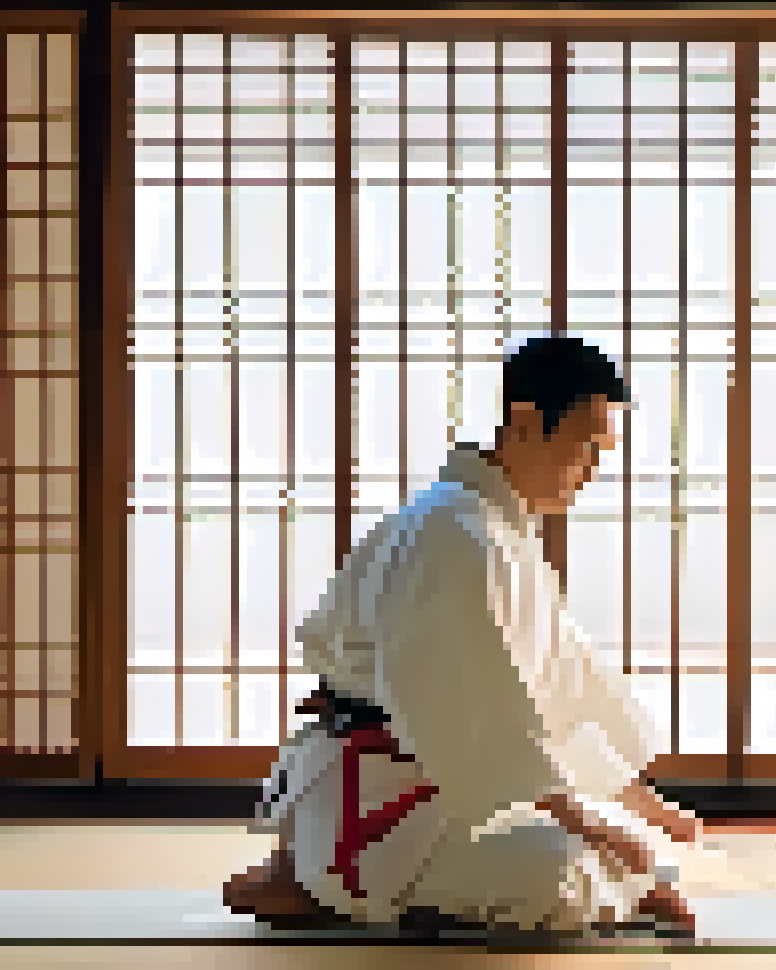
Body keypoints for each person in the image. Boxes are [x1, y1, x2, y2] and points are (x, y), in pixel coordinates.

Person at [222, 335, 704, 937]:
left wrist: (638, 805)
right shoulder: (453, 533)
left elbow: (566, 691)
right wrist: (595, 822)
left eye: (602, 452)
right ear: (527, 422)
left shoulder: (500, 531)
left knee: (639, 852)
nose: (592, 472)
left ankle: (324, 877)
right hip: (382, 795)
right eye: (584, 449)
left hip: (453, 788)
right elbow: (476, 719)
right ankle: (316, 878)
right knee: (563, 881)